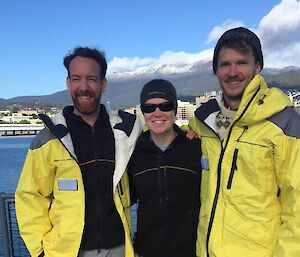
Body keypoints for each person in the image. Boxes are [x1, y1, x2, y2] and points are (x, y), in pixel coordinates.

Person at [15, 47, 143, 257]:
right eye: (76, 79)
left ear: (103, 84)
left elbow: (162, 135)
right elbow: (29, 196)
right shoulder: (49, 138)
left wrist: (191, 132)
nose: (84, 87)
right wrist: (39, 250)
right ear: (68, 83)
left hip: (119, 248)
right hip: (68, 251)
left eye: (91, 79)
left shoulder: (126, 131)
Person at [189, 27, 300, 257]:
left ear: (257, 66)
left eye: (242, 63)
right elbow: (165, 127)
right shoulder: (205, 121)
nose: (233, 72)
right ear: (216, 70)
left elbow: (297, 208)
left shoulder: (284, 123)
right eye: (225, 64)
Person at [127, 79, 202, 257]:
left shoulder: (195, 148)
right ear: (142, 112)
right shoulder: (134, 154)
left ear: (175, 109)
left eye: (165, 106)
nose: (157, 113)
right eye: (149, 108)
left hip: (190, 251)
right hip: (146, 251)